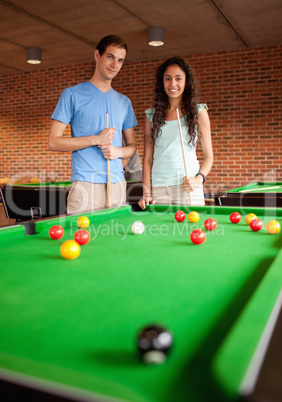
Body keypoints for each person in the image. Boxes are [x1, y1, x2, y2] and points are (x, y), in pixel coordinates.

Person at [48, 35, 138, 214]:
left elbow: (132, 147)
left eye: (120, 60)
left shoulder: (124, 102)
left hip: (118, 184)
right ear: (97, 55)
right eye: (110, 57)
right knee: (82, 240)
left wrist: (118, 152)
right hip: (85, 187)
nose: (115, 64)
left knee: (116, 241)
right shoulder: (72, 95)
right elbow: (54, 142)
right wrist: (96, 139)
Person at [138, 57, 213, 209]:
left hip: (188, 188)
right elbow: (147, 159)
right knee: (161, 232)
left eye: (178, 78)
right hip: (159, 189)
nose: (173, 84)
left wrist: (199, 179)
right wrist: (146, 192)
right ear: (162, 82)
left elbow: (209, 156)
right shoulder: (151, 116)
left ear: (186, 82)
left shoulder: (199, 112)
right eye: (168, 79)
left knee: (191, 232)